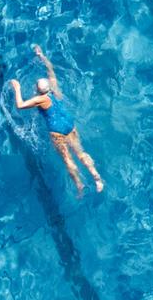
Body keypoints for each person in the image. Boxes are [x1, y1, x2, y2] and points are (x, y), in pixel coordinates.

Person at [9, 45, 105, 196]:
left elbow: (20, 105)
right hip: (70, 126)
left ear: (37, 90)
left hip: (58, 132)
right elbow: (51, 70)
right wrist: (42, 56)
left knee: (67, 159)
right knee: (80, 153)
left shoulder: (41, 99)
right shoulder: (54, 90)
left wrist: (17, 88)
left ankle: (80, 186)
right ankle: (97, 178)